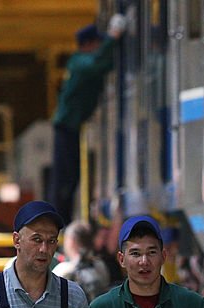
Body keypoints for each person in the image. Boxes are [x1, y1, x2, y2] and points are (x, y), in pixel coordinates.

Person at [49, 14, 127, 225]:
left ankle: (61, 220)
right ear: (89, 44)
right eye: (98, 43)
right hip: (66, 127)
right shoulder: (79, 62)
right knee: (65, 178)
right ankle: (58, 222)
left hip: (70, 127)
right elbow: (97, 63)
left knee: (70, 176)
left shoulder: (80, 63)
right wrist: (113, 36)